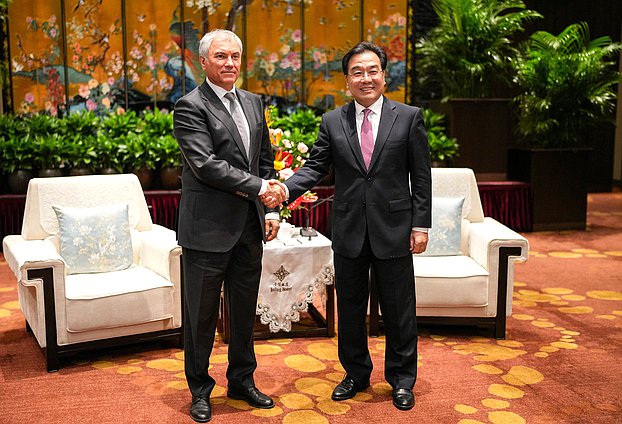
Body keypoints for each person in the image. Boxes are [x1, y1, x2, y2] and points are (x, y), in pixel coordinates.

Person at [280, 41, 432, 411]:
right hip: (349, 229)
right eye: (357, 72)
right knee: (349, 308)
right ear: (347, 80)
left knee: (399, 309)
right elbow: (317, 167)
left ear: (384, 74)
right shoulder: (333, 121)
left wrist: (421, 225)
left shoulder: (408, 117)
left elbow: (421, 176)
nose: (366, 78)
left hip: (394, 228)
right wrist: (284, 189)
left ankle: (401, 380)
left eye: (372, 70)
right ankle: (355, 374)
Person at [173, 29, 286, 423]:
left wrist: (271, 211)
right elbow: (206, 166)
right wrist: (260, 189)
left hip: (249, 229)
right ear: (202, 61)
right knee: (201, 317)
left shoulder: (254, 102)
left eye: (235, 56)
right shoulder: (189, 107)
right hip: (206, 230)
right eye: (221, 56)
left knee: (243, 312)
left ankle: (241, 381)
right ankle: (200, 390)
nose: (230, 64)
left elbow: (265, 161)